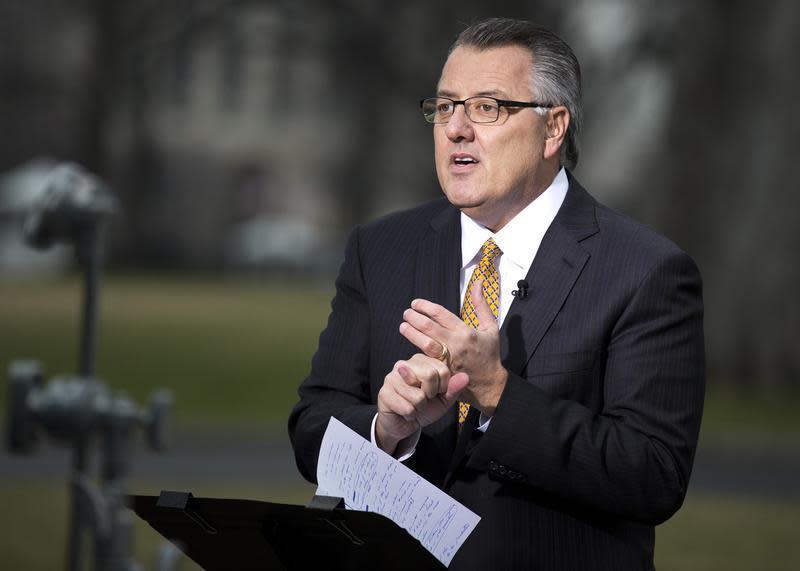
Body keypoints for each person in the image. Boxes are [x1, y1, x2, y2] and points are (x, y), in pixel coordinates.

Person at [288, 17, 704, 571]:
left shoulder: (645, 270)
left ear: (553, 129)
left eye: (487, 107)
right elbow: (312, 428)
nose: (456, 128)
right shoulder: (380, 248)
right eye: (444, 107)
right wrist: (384, 430)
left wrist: (498, 394)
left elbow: (653, 475)